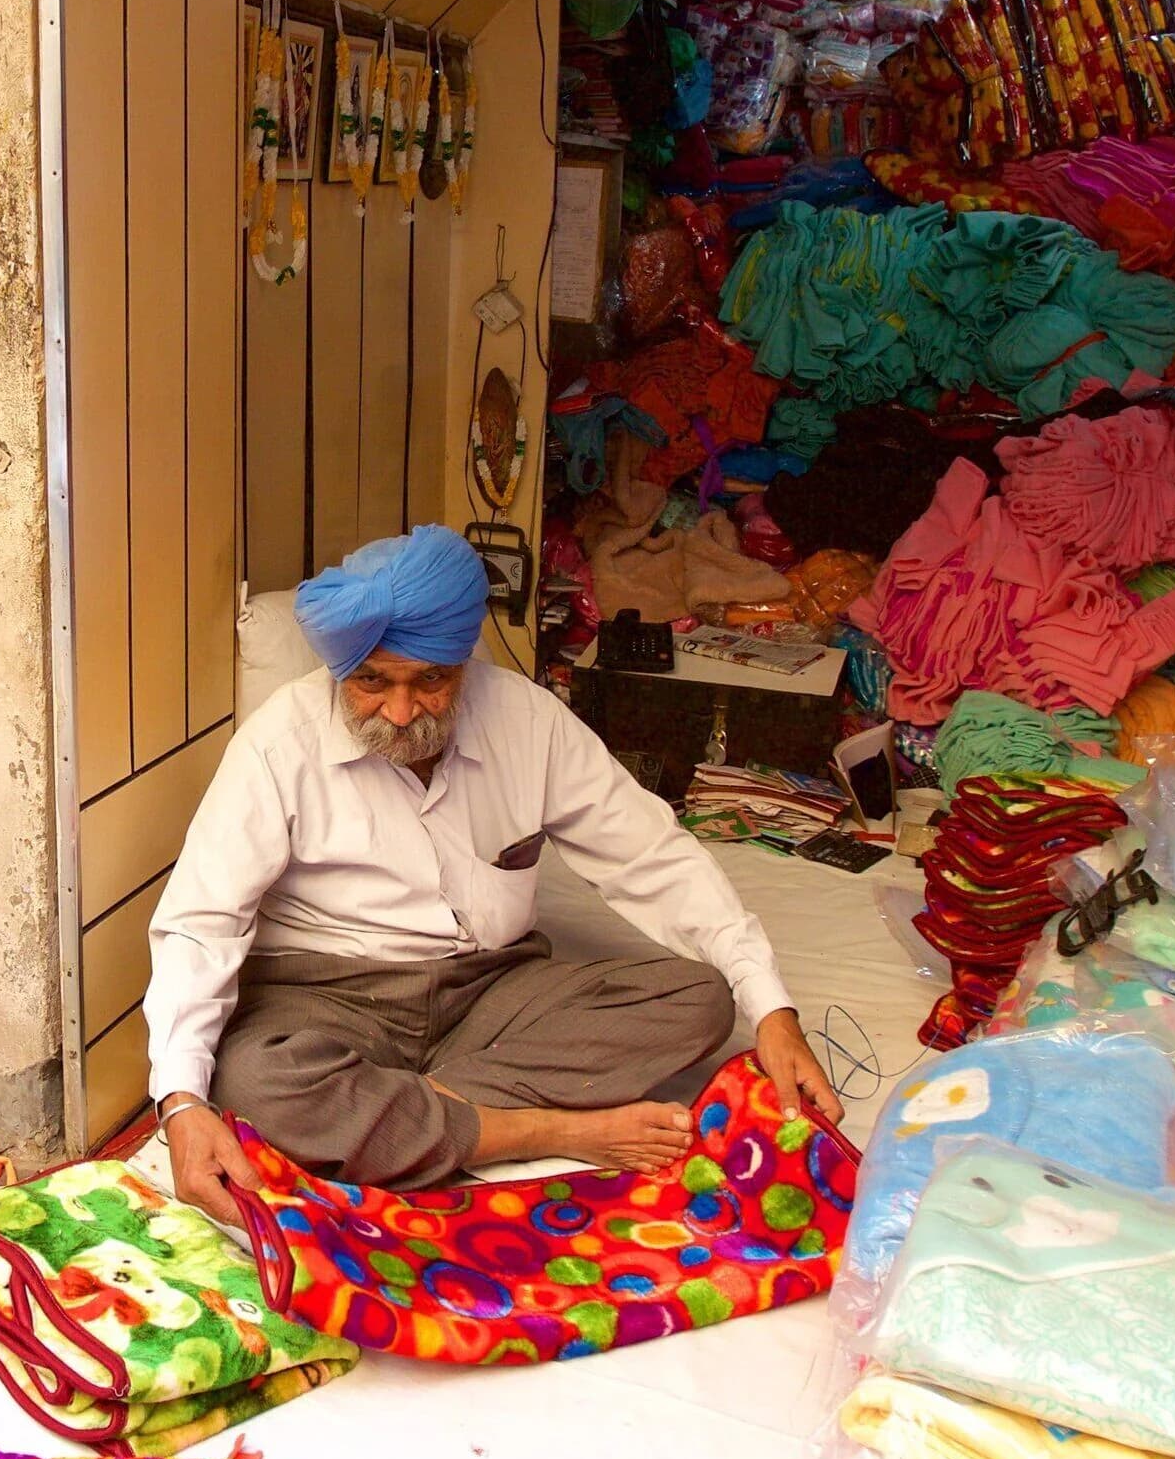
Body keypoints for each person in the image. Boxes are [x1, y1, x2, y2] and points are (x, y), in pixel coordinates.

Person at [146, 524, 844, 1230]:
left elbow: (651, 856)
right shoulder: (277, 744)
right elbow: (203, 925)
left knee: (699, 999)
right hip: (331, 998)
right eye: (370, 681)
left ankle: (392, 1118)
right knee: (257, 1081)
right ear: (340, 668)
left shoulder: (527, 720)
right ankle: (548, 1130)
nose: (398, 710)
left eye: (430, 680)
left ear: (462, 660)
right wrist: (179, 1102)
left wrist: (774, 1012)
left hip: (490, 993)